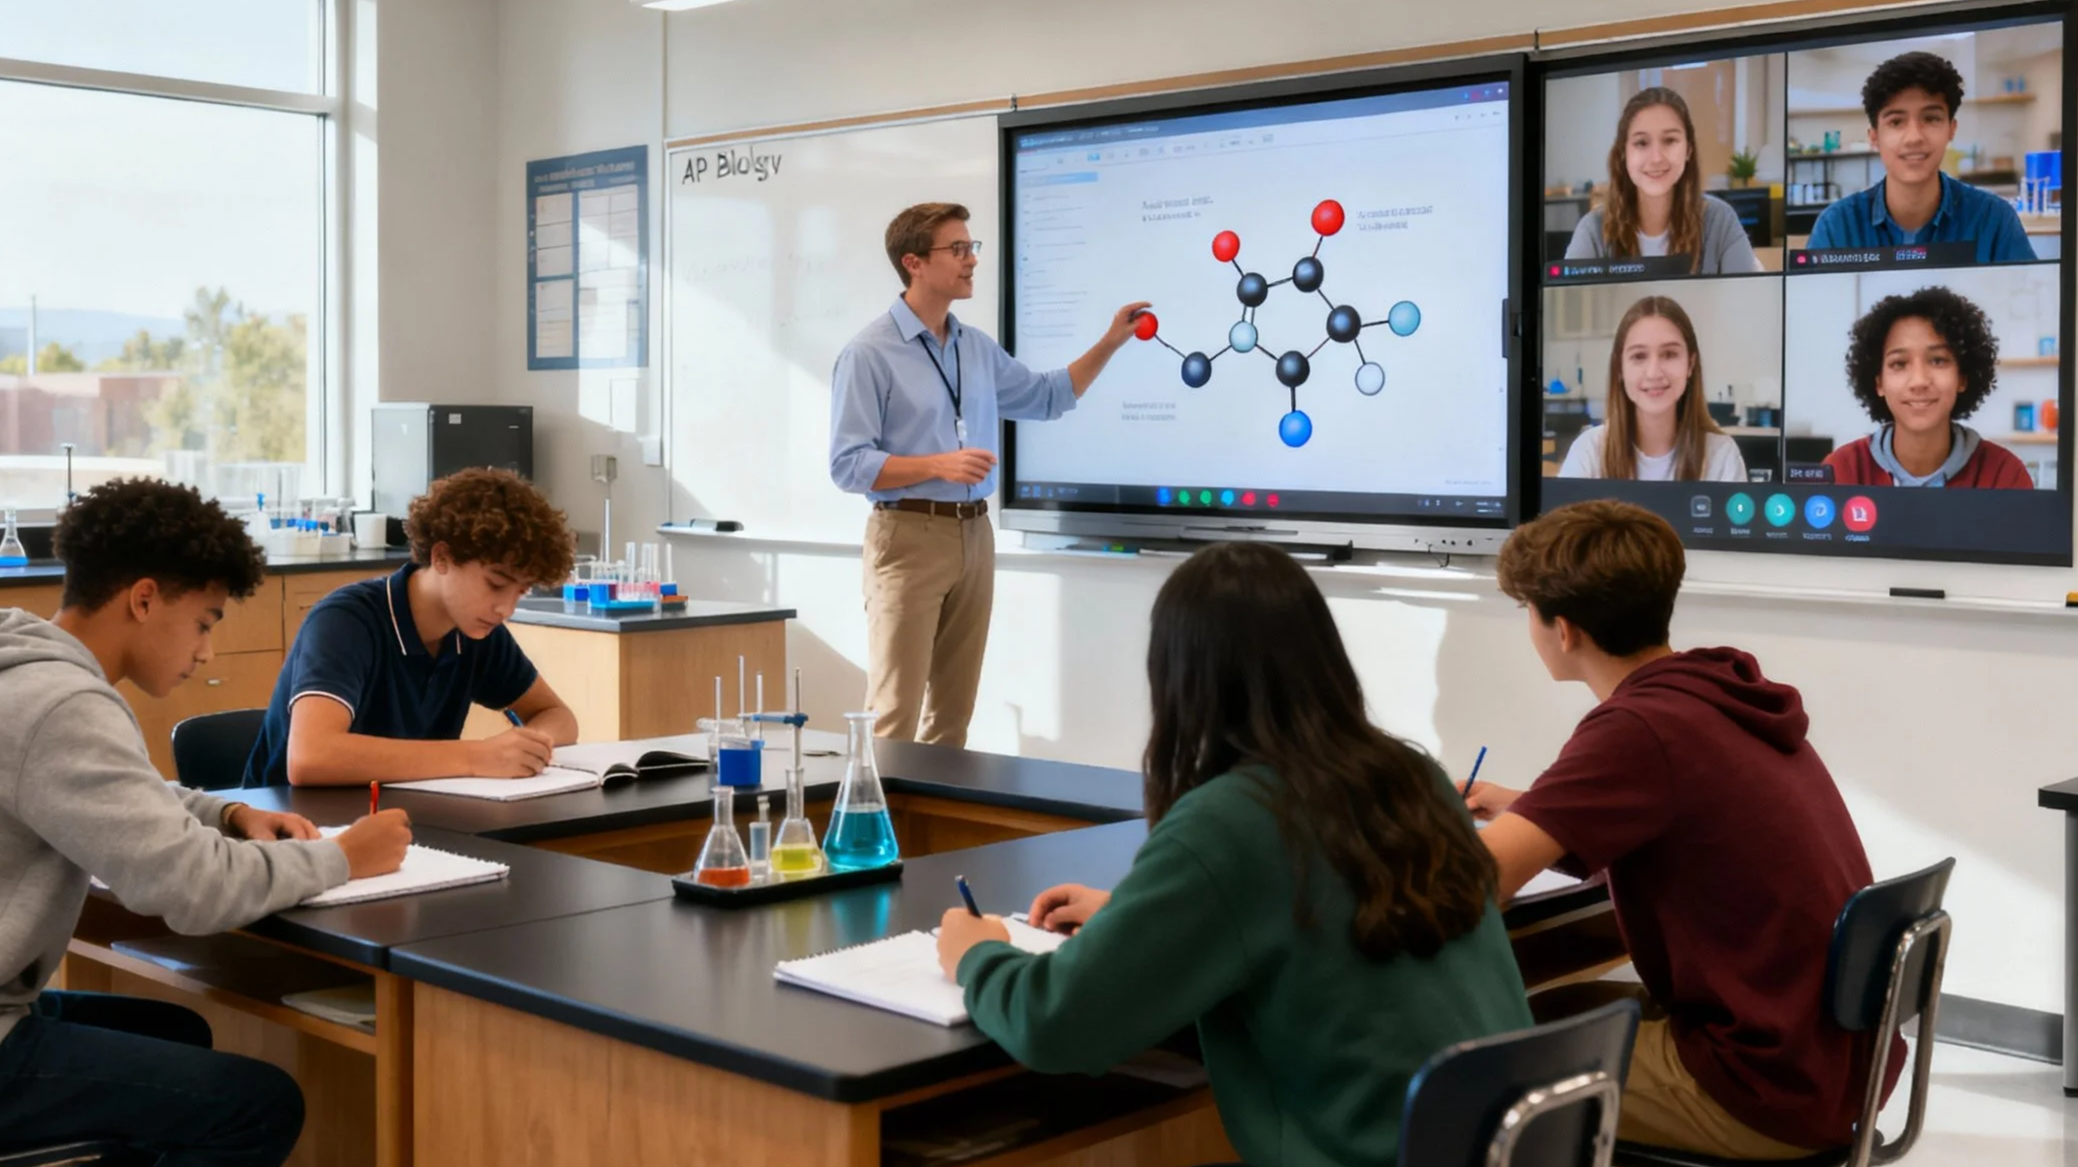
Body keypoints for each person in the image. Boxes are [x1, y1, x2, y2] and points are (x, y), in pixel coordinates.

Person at [935, 540, 1531, 1167]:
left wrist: (977, 954)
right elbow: (1319, 909)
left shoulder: (1235, 819)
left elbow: (1056, 1024)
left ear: (1180, 679)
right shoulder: (1415, 777)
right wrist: (1134, 914)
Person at [1465, 500, 1898, 1160]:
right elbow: (1677, 816)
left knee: (1478, 1071)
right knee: (1552, 1010)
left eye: (1525, 609)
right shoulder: (1712, 689)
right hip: (1828, 1059)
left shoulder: (1638, 730)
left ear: (1564, 628)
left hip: (1760, 1085)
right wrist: (1520, 804)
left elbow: (1477, 882)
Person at [0, 478, 411, 1165]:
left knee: (178, 1030)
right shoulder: (63, 705)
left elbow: (112, 789)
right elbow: (192, 889)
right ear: (144, 598)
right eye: (206, 621)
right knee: (257, 1104)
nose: (207, 651)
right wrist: (346, 858)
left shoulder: (28, 669)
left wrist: (226, 811)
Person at [829, 201, 1148, 747]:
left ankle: (933, 833)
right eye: (957, 249)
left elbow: (1047, 397)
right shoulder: (869, 353)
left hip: (974, 535)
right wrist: (936, 464)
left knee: (952, 716)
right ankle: (874, 834)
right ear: (914, 263)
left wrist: (1110, 343)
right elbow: (847, 463)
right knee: (894, 714)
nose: (971, 260)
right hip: (907, 536)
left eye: (971, 247)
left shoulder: (974, 348)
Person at [242, 468, 580, 787]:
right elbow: (310, 758)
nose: (505, 608)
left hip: (401, 820)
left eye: (520, 592)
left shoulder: (477, 631)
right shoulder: (346, 621)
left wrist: (529, 745)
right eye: (495, 584)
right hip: (294, 830)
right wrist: (478, 756)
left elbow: (557, 715)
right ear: (442, 557)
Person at [1806, 51, 2035, 263]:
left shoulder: (1993, 220)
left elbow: (2027, 302)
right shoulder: (1837, 226)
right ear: (1874, 137)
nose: (1914, 137)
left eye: (1931, 118)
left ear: (1951, 129)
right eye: (1896, 122)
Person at [1821, 285, 2031, 488]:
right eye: (1899, 364)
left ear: (1962, 378)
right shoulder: (1841, 471)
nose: (1919, 381)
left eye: (1938, 360)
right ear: (1879, 383)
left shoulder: (2005, 475)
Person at [1565, 87, 1764, 274]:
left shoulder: (1721, 221)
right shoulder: (1592, 230)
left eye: (1669, 141)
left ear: (1688, 150)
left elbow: (1748, 304)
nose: (1656, 158)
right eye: (1641, 143)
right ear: (1623, 153)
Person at [1559, 295, 1748, 482]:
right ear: (1619, 368)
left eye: (1669, 354)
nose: (1653, 373)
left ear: (1690, 364)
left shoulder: (1722, 456)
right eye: (1639, 356)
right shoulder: (1588, 451)